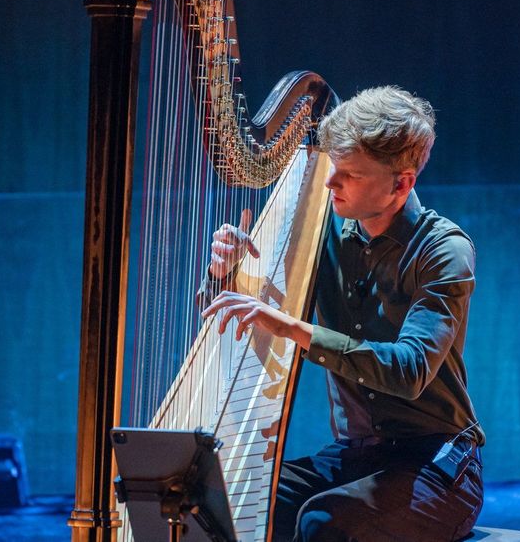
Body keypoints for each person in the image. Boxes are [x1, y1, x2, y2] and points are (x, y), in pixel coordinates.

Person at [200, 86, 485, 541]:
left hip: (435, 462)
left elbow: (408, 371)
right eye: (333, 166)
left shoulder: (443, 250)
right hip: (355, 455)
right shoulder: (319, 229)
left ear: (402, 182)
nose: (330, 182)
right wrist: (224, 273)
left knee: (324, 523)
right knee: (224, 504)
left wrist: (294, 327)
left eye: (349, 174)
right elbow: (232, 318)